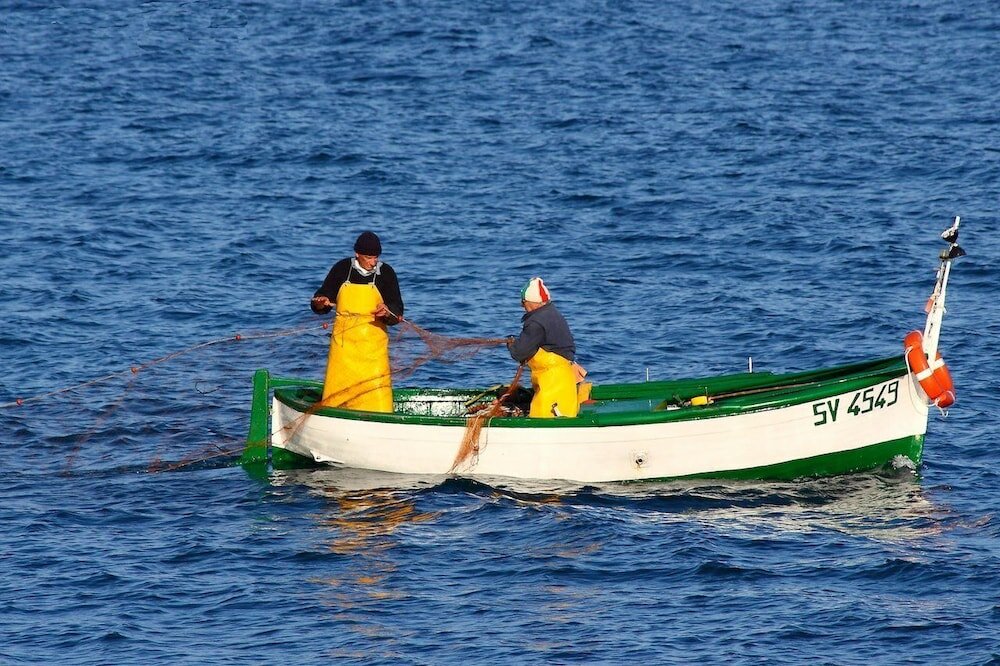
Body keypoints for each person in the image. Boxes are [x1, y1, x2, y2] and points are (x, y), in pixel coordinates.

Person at [311, 231, 403, 412]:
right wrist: (320, 304)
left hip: (373, 348)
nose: (373, 262)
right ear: (357, 255)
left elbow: (397, 311)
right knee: (336, 397)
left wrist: (387, 312)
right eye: (368, 257)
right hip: (343, 347)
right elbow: (321, 302)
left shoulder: (387, 273)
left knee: (376, 397)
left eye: (376, 257)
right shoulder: (341, 269)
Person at [507, 277, 581, 418]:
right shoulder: (553, 313)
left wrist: (511, 345)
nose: (522, 306)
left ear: (532, 302)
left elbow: (520, 353)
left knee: (544, 416)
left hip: (552, 382)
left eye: (523, 302)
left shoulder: (536, 322)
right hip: (564, 378)